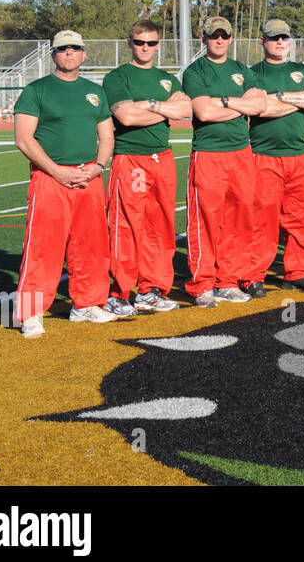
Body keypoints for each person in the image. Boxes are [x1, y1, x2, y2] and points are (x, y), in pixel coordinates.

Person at [13, 30, 117, 337]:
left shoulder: (94, 91)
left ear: (84, 54)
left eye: (75, 48)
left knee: (92, 245)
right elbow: (23, 138)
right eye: (62, 48)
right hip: (49, 179)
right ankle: (31, 312)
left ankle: (87, 304)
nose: (69, 52)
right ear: (53, 54)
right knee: (44, 247)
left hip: (88, 179)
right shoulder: (37, 90)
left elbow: (107, 135)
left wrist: (98, 167)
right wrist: (56, 171)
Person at [102, 19, 191, 315]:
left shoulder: (168, 79)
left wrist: (148, 105)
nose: (145, 48)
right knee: (126, 226)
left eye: (151, 43)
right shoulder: (117, 77)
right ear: (130, 43)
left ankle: (151, 289)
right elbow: (126, 117)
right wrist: (162, 107)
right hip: (131, 159)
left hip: (162, 159)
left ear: (158, 44)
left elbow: (184, 110)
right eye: (139, 42)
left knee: (160, 227)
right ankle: (119, 292)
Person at [182, 16, 267, 305]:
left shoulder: (242, 70)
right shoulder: (196, 71)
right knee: (205, 221)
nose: (219, 39)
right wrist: (239, 103)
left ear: (231, 38)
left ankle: (228, 281)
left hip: (241, 153)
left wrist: (224, 101)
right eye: (213, 35)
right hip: (208, 153)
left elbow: (259, 106)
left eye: (224, 35)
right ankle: (202, 284)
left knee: (238, 219)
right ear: (204, 39)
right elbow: (203, 113)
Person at [246, 19, 304, 295]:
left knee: (301, 217)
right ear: (263, 41)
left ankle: (298, 271)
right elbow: (258, 109)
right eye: (273, 38)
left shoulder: (303, 70)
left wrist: (278, 97)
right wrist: (296, 99)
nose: (280, 43)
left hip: (298, 155)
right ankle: (254, 274)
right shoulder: (252, 73)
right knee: (262, 219)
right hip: (262, 155)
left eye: (284, 38)